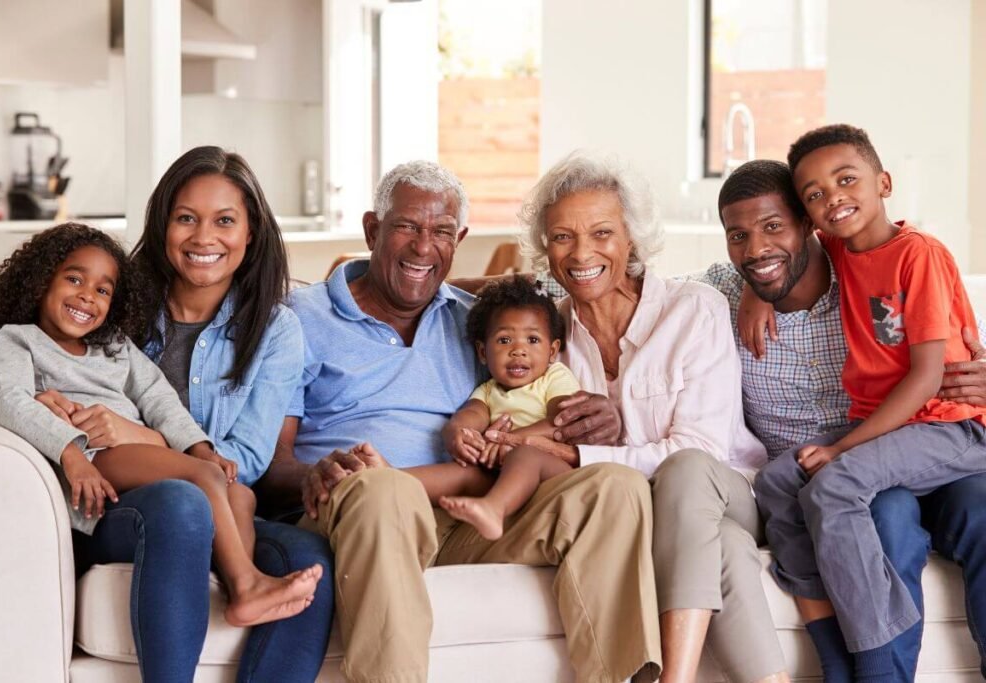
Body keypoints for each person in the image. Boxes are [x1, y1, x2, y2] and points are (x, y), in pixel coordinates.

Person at [254, 159, 660, 683]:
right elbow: (268, 464)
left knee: (616, 485)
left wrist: (592, 413)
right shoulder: (299, 318)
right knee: (383, 490)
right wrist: (315, 474)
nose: (425, 247)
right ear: (373, 230)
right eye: (407, 227)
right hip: (363, 510)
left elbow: (532, 373)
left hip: (467, 514)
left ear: (459, 238)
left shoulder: (474, 320)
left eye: (441, 232)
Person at [0, 146, 335, 683]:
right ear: (163, 226)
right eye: (187, 218)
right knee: (182, 499)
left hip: (209, 491)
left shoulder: (274, 330)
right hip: (109, 497)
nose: (204, 237)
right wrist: (29, 400)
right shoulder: (112, 299)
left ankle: (246, 581)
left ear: (250, 233)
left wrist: (149, 439)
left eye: (225, 221)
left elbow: (245, 458)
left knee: (307, 556)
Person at [486, 152, 785, 683]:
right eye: (561, 237)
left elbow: (702, 450)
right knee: (729, 554)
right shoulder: (547, 339)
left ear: (632, 240)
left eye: (602, 232)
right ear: (545, 249)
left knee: (689, 470)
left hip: (728, 493)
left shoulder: (694, 310)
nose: (581, 253)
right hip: (647, 521)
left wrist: (580, 453)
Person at [707, 157, 986, 681]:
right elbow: (616, 288)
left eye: (773, 228)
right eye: (739, 236)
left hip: (928, 443)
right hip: (853, 468)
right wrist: (754, 284)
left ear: (809, 227)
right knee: (888, 516)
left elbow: (948, 345)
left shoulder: (871, 266)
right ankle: (868, 671)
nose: (757, 247)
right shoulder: (725, 288)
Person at [435, 276, 581, 539]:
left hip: (551, 471)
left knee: (525, 455)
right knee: (461, 471)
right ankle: (390, 479)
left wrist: (511, 441)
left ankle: (493, 509)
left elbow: (561, 421)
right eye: (504, 341)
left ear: (552, 350)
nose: (518, 351)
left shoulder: (554, 377)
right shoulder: (489, 390)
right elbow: (471, 415)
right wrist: (458, 434)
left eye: (533, 340)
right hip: (499, 472)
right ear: (482, 352)